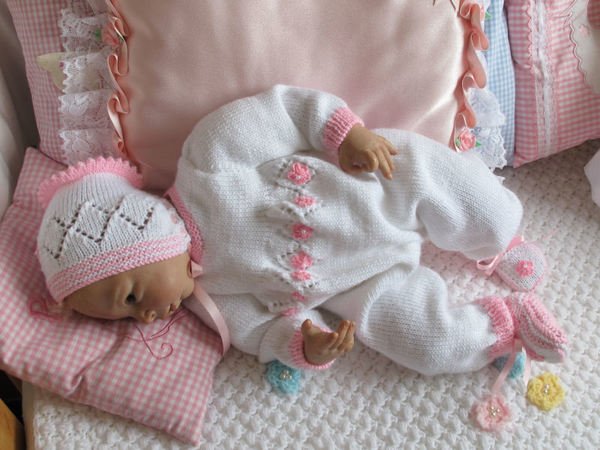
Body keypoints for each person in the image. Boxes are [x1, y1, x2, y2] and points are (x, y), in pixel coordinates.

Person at [36, 85, 567, 374]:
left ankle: (502, 240)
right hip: (362, 283)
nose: (149, 317)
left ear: (140, 240)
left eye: (131, 297)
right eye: (133, 318)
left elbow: (284, 111)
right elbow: (261, 333)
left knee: (468, 199)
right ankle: (503, 326)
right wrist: (303, 343)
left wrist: (345, 134)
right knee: (424, 344)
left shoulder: (206, 164)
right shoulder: (214, 297)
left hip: (374, 183)